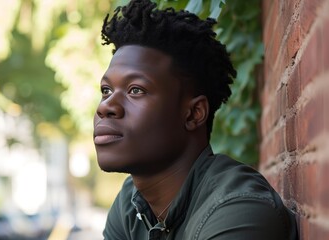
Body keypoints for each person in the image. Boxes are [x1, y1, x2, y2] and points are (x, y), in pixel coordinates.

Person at [92, 0, 298, 239]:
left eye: (136, 90)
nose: (106, 107)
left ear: (193, 113)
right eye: (106, 90)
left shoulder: (241, 211)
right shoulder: (131, 205)